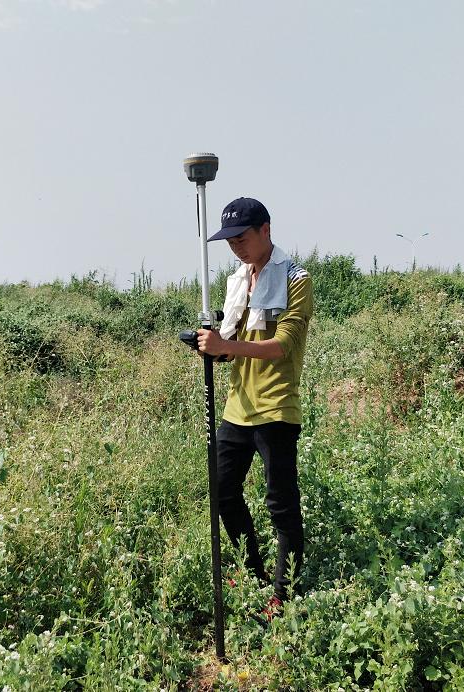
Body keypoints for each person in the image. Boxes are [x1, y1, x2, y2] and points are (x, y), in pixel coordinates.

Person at [196, 197, 313, 616]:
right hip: (236, 407)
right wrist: (212, 349)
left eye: (241, 238)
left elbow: (284, 346)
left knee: (281, 504)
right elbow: (231, 350)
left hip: (276, 407)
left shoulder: (296, 278)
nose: (236, 248)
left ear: (265, 229)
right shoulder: (238, 280)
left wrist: (227, 345)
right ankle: (254, 572)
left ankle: (284, 594)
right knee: (223, 491)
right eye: (229, 241)